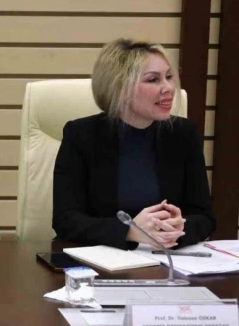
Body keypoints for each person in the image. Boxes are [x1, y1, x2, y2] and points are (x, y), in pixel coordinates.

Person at [52, 38, 215, 250]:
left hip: (166, 259)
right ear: (120, 88)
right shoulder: (81, 135)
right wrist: (130, 231)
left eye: (169, 77)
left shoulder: (183, 133)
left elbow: (204, 217)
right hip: (105, 260)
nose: (168, 88)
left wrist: (179, 228)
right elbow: (65, 220)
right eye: (153, 80)